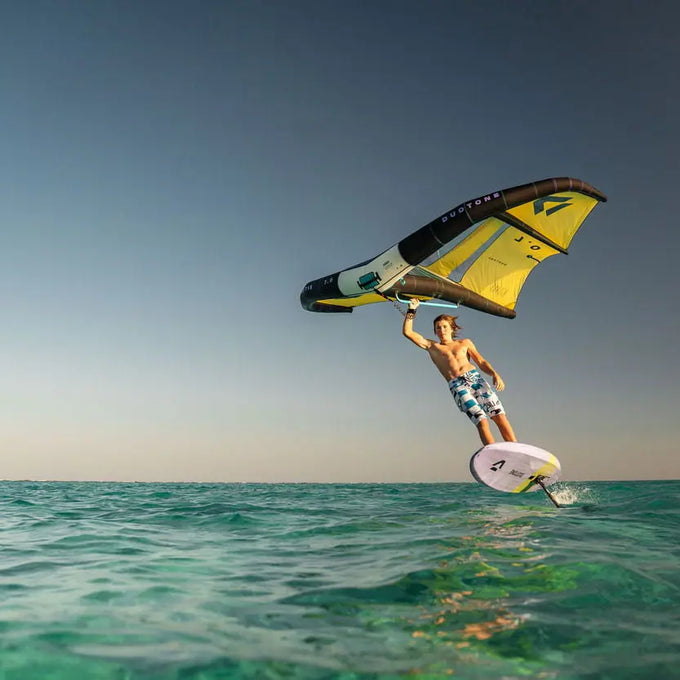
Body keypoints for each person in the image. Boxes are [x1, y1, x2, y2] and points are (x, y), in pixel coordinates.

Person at [402, 298, 517, 446]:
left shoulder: (464, 343)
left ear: (452, 328)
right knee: (481, 420)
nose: (441, 330)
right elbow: (408, 332)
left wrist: (495, 374)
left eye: (444, 326)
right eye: (438, 328)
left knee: (499, 415)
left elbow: (481, 361)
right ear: (435, 331)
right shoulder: (433, 346)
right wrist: (411, 310)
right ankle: (492, 452)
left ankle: (516, 448)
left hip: (475, 379)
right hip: (457, 385)